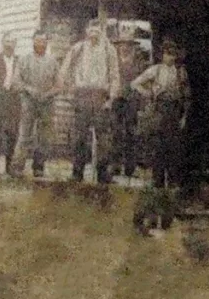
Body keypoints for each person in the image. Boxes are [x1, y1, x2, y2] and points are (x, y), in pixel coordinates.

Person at [58, 21, 121, 183]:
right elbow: (64, 69)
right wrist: (68, 89)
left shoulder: (109, 50)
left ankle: (102, 173)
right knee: (80, 136)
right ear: (86, 31)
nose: (94, 32)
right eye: (91, 29)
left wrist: (111, 98)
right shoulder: (78, 48)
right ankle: (77, 172)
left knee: (103, 138)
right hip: (82, 95)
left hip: (101, 96)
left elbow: (114, 76)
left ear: (102, 31)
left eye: (97, 29)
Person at [132, 40, 190, 189]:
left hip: (174, 112)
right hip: (159, 111)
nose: (169, 57)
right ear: (162, 55)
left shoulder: (181, 72)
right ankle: (157, 181)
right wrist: (149, 93)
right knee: (158, 146)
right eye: (167, 54)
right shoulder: (155, 70)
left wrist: (183, 117)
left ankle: (172, 181)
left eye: (172, 55)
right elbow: (136, 83)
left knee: (173, 147)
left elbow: (186, 96)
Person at [11, 30, 60, 178]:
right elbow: (16, 81)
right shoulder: (24, 60)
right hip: (28, 101)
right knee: (25, 134)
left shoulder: (53, 61)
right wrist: (29, 89)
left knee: (44, 137)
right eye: (37, 41)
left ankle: (38, 167)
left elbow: (59, 84)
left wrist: (48, 93)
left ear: (47, 43)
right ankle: (17, 167)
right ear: (33, 42)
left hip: (47, 103)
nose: (40, 44)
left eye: (43, 41)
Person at [113, 31, 149, 178]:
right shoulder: (113, 61)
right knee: (115, 133)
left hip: (132, 102)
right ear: (119, 46)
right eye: (122, 44)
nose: (125, 47)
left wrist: (141, 104)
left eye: (128, 44)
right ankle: (115, 166)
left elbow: (144, 83)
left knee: (131, 134)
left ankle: (130, 168)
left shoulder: (139, 63)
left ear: (132, 46)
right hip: (117, 100)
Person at [0, 32, 22, 176]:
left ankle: (9, 167)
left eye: (12, 41)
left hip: (14, 99)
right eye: (7, 41)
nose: (9, 44)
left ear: (15, 44)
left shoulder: (19, 60)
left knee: (12, 133)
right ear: (2, 43)